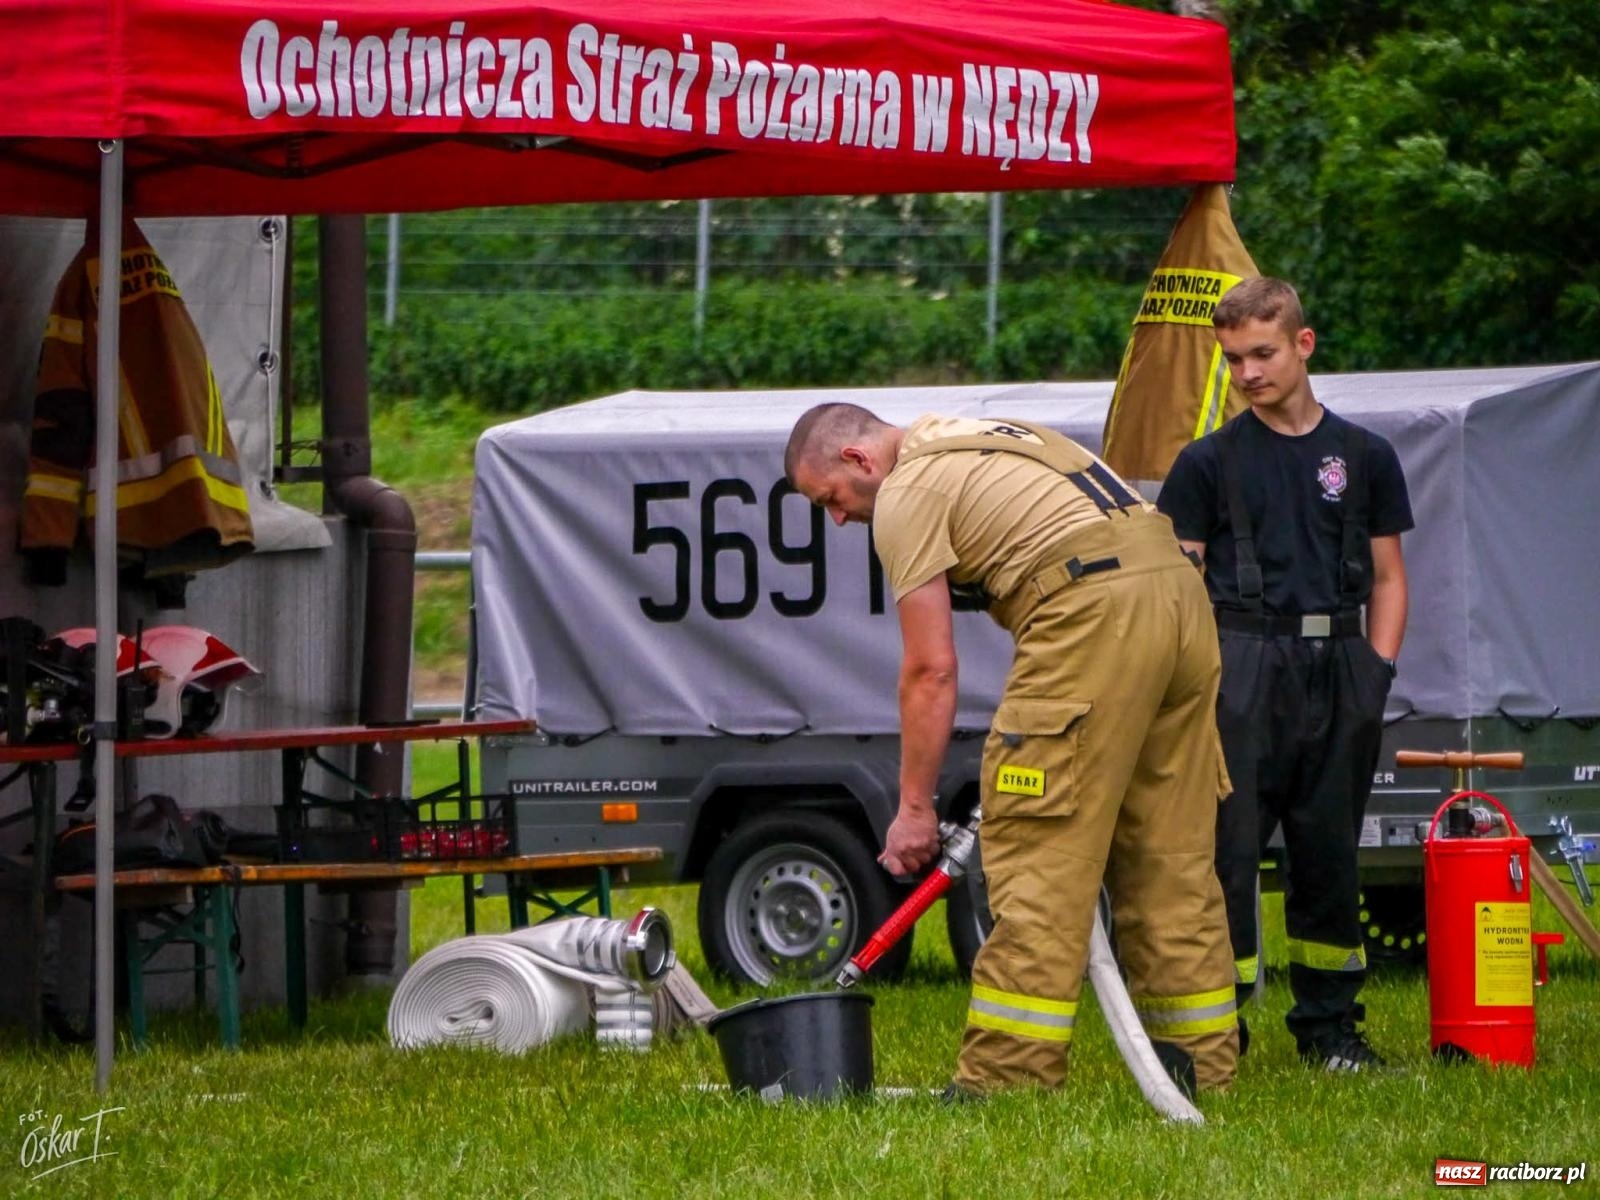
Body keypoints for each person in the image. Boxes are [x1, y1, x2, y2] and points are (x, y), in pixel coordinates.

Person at [785, 404, 1239, 1098]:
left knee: (1037, 852)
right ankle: (1201, 1065)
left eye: (831, 501)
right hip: (1179, 600)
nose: (839, 520)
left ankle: (1006, 1079)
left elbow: (930, 670)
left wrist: (913, 808)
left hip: (1094, 606)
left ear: (857, 460)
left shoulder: (908, 493)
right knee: (1171, 857)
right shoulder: (983, 436)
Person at [1156, 277, 1413, 1072]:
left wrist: (1375, 670)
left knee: (1329, 854)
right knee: (1226, 857)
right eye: (1233, 360)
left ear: (1303, 345)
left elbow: (1391, 575)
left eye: (1262, 354)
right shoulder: (1206, 464)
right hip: (1241, 667)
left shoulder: (1365, 456)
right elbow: (1177, 585)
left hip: (1338, 666)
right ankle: (1216, 1033)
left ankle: (1331, 1029)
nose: (1247, 374)